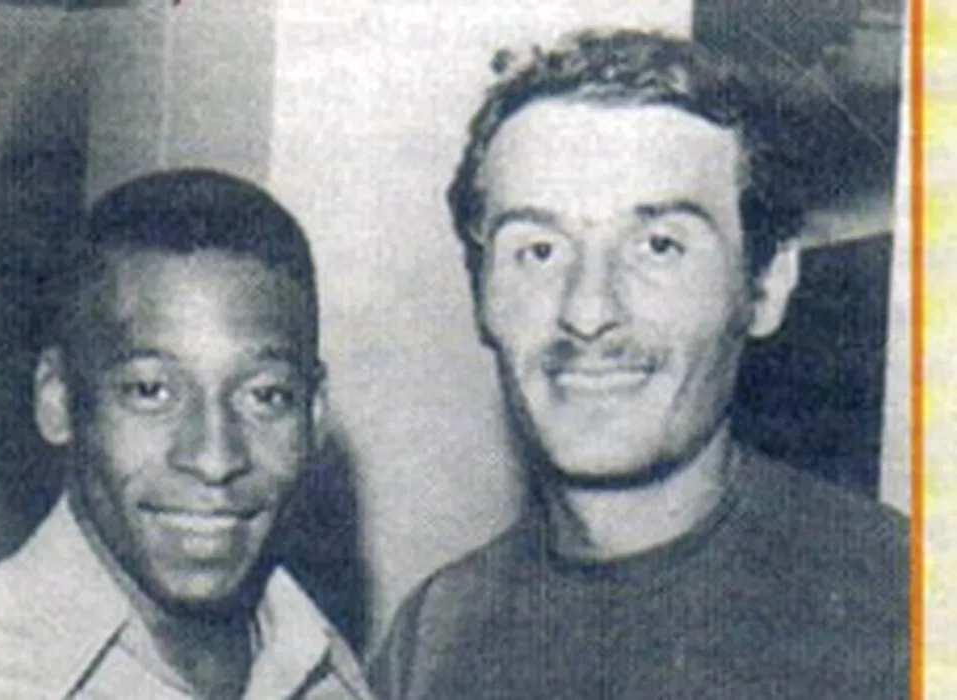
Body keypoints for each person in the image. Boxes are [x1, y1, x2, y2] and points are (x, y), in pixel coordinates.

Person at [369, 29, 908, 700]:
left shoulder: (900, 610)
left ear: (766, 283)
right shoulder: (436, 634)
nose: (588, 310)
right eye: (539, 250)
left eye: (657, 245)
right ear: (480, 294)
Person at [0, 169, 376, 700]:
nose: (214, 459)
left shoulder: (331, 674)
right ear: (58, 400)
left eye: (266, 396)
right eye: (151, 391)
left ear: (313, 415)